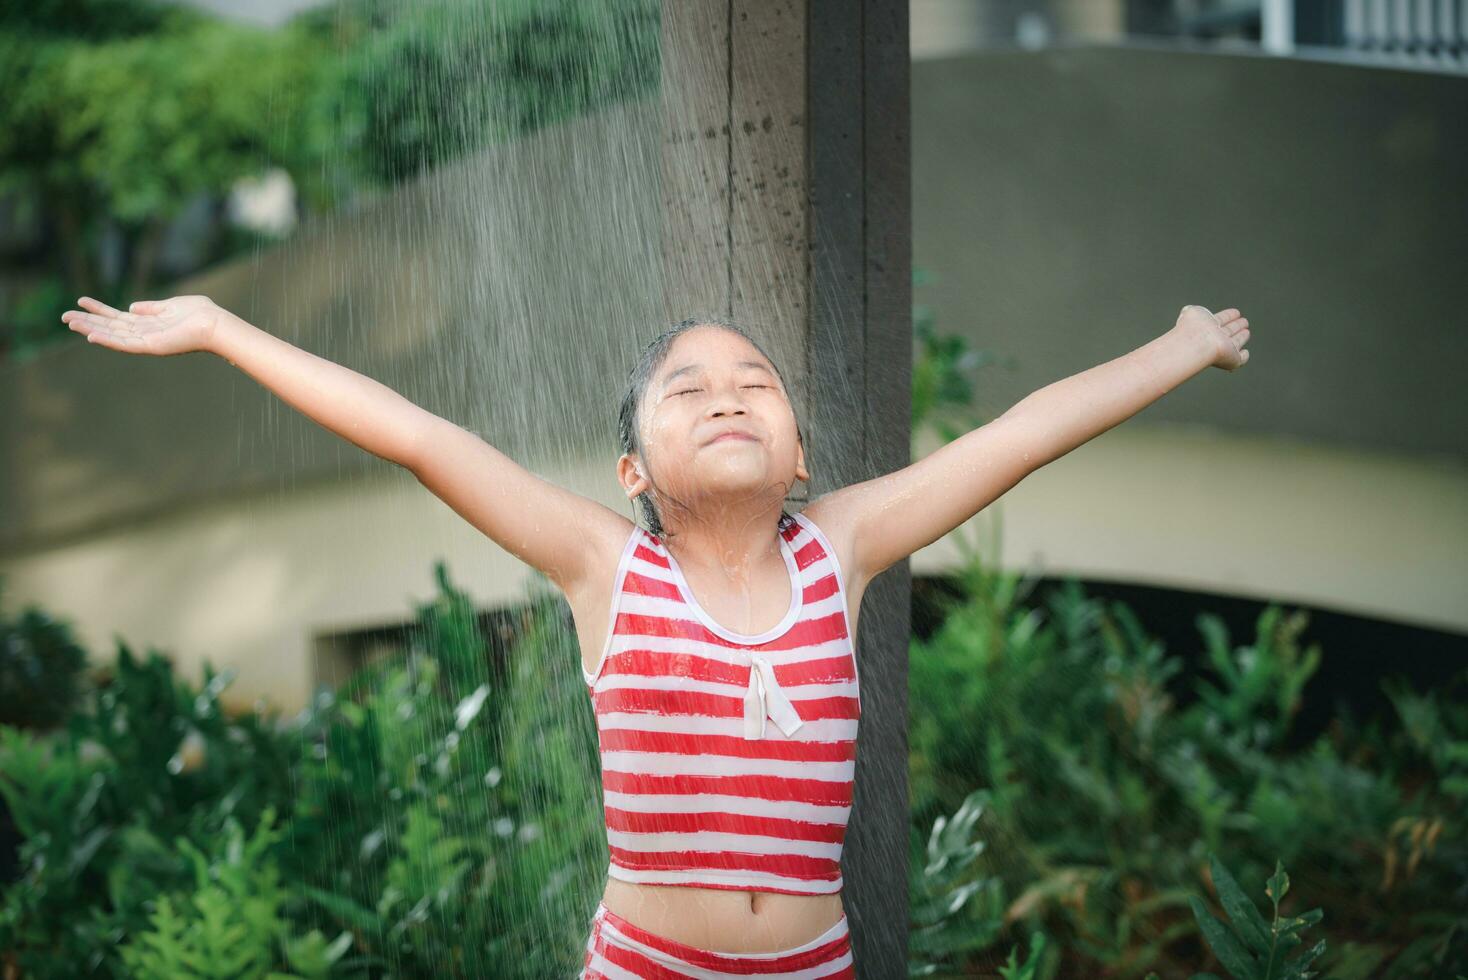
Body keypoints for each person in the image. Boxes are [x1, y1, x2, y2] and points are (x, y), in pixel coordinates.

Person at [60, 295, 1251, 977]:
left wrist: (1184, 345)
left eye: (755, 382)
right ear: (632, 468)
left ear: (801, 456)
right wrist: (222, 327)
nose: (726, 392)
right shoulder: (606, 564)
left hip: (810, 966)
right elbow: (415, 434)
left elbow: (1019, 434)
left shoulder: (835, 547)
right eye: (685, 389)